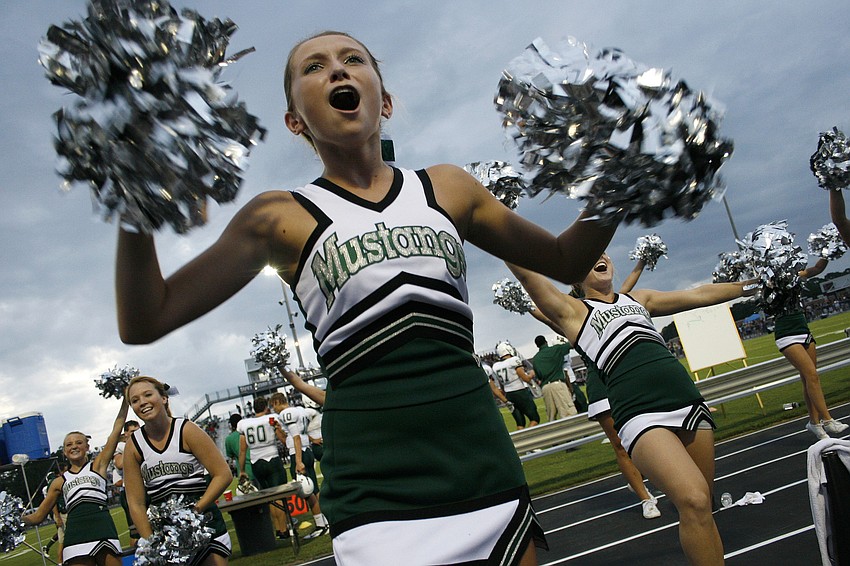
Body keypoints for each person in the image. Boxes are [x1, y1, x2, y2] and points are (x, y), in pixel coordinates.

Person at [114, 30, 619, 564]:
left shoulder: (448, 187)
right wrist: (138, 194)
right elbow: (147, 320)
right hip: (374, 487)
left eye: (352, 59)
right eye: (314, 67)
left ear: (386, 100)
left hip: (481, 459)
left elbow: (565, 261)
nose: (337, 69)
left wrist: (622, 175)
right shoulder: (278, 215)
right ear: (295, 121)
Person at [509, 254, 756, 565]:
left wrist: (752, 287)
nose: (599, 256)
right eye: (589, 254)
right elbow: (528, 276)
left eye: (603, 253)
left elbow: (699, 294)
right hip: (639, 413)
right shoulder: (572, 311)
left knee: (703, 505)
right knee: (693, 500)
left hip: (686, 400)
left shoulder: (639, 298)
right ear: (574, 275)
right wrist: (494, 221)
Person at [123, 376, 232, 565]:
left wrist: (194, 512)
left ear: (163, 398)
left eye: (148, 395)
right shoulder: (133, 446)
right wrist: (152, 542)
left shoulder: (186, 430)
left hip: (205, 525)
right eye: (135, 400)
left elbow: (223, 474)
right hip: (166, 536)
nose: (143, 402)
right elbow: (136, 502)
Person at [23, 400, 129, 566]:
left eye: (79, 443)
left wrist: (126, 400)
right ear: (65, 452)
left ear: (87, 447)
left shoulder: (98, 465)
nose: (74, 447)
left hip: (102, 526)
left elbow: (116, 429)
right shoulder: (58, 482)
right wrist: (15, 522)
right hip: (76, 533)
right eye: (69, 445)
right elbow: (37, 516)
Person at [774, 258, 849, 440]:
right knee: (812, 376)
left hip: (803, 329)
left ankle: (814, 423)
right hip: (786, 334)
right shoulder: (768, 282)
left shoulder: (796, 276)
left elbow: (817, 268)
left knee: (808, 378)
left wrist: (827, 252)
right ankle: (828, 419)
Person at [269, 392, 330, 539]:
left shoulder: (287, 413)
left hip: (300, 453)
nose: (273, 409)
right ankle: (326, 521)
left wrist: (298, 461)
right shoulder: (300, 410)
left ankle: (321, 525)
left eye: (273, 405)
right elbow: (291, 438)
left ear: (278, 402)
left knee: (307, 491)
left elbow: (296, 437)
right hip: (305, 450)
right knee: (314, 488)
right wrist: (277, 428)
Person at [236, 396, 292, 538]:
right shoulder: (272, 417)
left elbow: (242, 450)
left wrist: (242, 470)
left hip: (256, 462)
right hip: (272, 458)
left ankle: (278, 530)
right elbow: (283, 438)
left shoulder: (244, 423)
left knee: (269, 497)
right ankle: (284, 529)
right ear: (266, 407)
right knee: (279, 495)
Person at [492, 342, 541, 429]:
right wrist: (531, 375)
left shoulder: (496, 365)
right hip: (520, 392)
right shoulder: (513, 360)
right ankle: (528, 439)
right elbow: (525, 378)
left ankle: (521, 440)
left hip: (509, 394)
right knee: (535, 418)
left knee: (520, 423)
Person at [530, 336, 577, 421]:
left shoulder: (536, 358)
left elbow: (539, 376)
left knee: (551, 418)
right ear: (546, 342)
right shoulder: (556, 349)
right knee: (568, 413)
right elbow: (571, 344)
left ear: (537, 346)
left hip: (545, 388)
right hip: (558, 384)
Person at [112, 420, 140, 547]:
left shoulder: (144, 443)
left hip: (146, 489)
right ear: (126, 434)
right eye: (133, 431)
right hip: (130, 493)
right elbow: (119, 464)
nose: (136, 434)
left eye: (138, 430)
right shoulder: (122, 447)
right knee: (135, 533)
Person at [224, 414, 256, 492]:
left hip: (245, 471)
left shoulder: (229, 439)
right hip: (258, 466)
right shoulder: (249, 431)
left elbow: (231, 456)